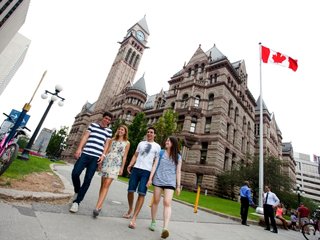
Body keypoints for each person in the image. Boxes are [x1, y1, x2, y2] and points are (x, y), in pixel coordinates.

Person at [69, 111, 113, 213]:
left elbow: (107, 144)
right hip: (85, 153)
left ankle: (77, 202)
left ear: (110, 122)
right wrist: (79, 149)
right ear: (103, 118)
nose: (107, 120)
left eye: (109, 120)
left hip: (96, 157)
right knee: (75, 173)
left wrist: (103, 155)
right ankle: (77, 190)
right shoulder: (93, 126)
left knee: (88, 179)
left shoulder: (109, 131)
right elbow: (85, 137)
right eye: (106, 118)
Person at [123, 126, 161, 229]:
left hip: (146, 172)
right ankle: (130, 209)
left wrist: (150, 178)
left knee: (141, 194)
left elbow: (155, 164)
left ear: (154, 135)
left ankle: (134, 218)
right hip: (136, 169)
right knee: (130, 191)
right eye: (148, 132)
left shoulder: (157, 147)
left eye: (151, 132)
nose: (149, 133)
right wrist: (130, 164)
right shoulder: (141, 143)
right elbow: (135, 155)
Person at [147, 136, 182, 239]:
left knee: (167, 202)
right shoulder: (161, 152)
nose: (166, 142)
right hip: (158, 180)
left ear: (173, 143)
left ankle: (165, 228)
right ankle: (153, 222)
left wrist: (178, 186)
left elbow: (178, 171)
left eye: (168, 141)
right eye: (166, 140)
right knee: (156, 201)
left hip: (170, 182)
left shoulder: (178, 157)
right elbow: (154, 165)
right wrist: (150, 179)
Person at [92, 125, 130, 217]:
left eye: (122, 130)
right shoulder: (111, 140)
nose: (120, 131)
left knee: (106, 184)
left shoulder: (127, 143)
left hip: (116, 164)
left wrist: (122, 168)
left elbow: (124, 156)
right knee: (102, 185)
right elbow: (106, 152)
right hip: (107, 161)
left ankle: (97, 207)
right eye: (119, 129)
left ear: (125, 132)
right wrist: (101, 163)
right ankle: (99, 205)